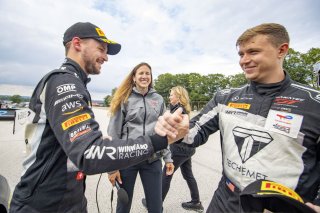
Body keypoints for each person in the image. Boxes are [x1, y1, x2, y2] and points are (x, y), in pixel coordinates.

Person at [9, 22, 188, 213]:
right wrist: (161, 140)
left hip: (71, 196)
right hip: (43, 203)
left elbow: (76, 143)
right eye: (101, 49)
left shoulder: (76, 83)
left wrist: (94, 140)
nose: (105, 57)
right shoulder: (64, 83)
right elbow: (90, 153)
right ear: (77, 44)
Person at [155, 23, 320, 212]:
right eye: (241, 54)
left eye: (253, 52)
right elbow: (195, 131)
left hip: (284, 206)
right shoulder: (225, 97)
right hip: (226, 200)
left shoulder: (314, 104)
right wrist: (179, 131)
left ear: (281, 50)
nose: (244, 60)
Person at [107, 62, 174, 213]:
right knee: (124, 204)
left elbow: (164, 130)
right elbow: (113, 133)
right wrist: (112, 168)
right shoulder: (124, 98)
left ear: (151, 77)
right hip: (128, 159)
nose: (144, 76)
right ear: (134, 78)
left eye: (147, 73)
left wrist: (168, 158)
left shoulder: (158, 99)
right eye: (141, 73)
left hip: (153, 158)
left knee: (156, 206)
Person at [161, 86, 204, 211]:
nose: (169, 97)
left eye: (171, 95)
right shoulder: (181, 109)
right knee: (188, 175)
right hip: (188, 149)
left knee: (166, 175)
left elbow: (172, 131)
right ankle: (196, 202)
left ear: (179, 97)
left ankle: (156, 203)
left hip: (179, 149)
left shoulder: (179, 111)